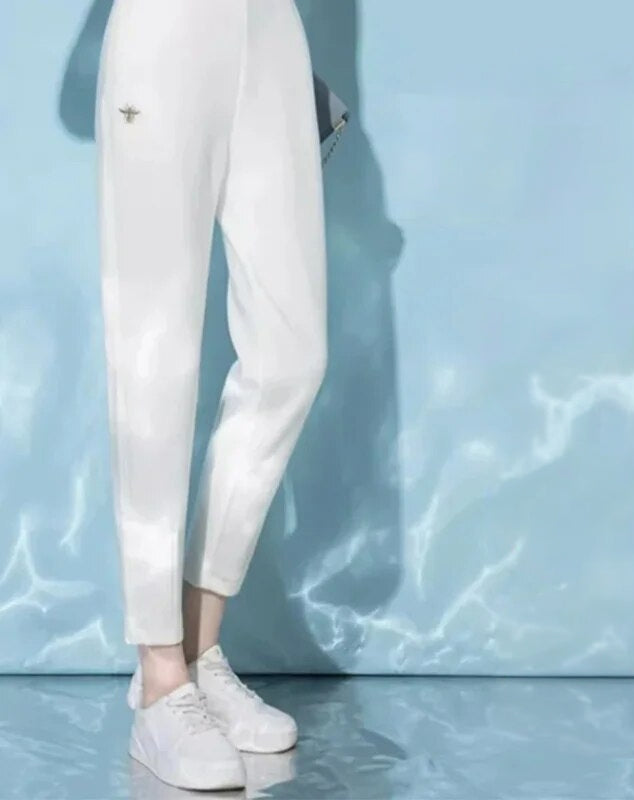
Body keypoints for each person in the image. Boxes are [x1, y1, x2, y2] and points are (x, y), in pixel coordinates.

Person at [95, 0, 327, 790]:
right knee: (154, 355)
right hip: (164, 31)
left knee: (292, 355)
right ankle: (161, 679)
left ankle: (197, 648)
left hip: (272, 29)